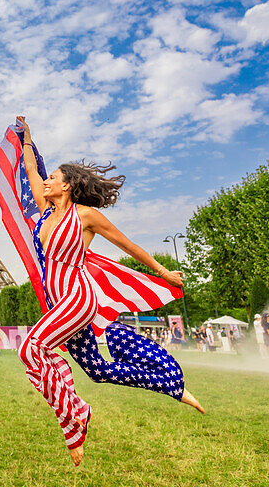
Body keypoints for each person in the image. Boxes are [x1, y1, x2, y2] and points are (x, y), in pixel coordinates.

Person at [14, 117, 203, 469]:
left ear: (67, 186)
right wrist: (27, 139)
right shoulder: (46, 211)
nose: (46, 181)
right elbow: (29, 170)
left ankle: (75, 418)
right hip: (60, 303)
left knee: (31, 347)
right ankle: (172, 385)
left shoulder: (86, 217)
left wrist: (163, 272)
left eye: (52, 177)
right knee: (97, 370)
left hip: (77, 299)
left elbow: (128, 246)